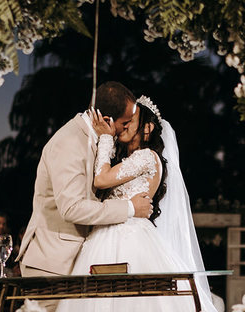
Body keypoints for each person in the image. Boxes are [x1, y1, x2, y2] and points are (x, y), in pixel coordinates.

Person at [49, 96, 224, 312]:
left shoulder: (146, 156)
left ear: (148, 128)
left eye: (132, 121)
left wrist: (105, 138)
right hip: (110, 233)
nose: (125, 125)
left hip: (128, 238)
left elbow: (101, 179)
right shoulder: (133, 159)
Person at [16, 81, 152, 284]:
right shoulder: (69, 142)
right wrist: (130, 208)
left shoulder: (99, 138)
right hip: (52, 264)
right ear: (107, 120)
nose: (126, 129)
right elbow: (72, 208)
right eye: (125, 123)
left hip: (79, 260)